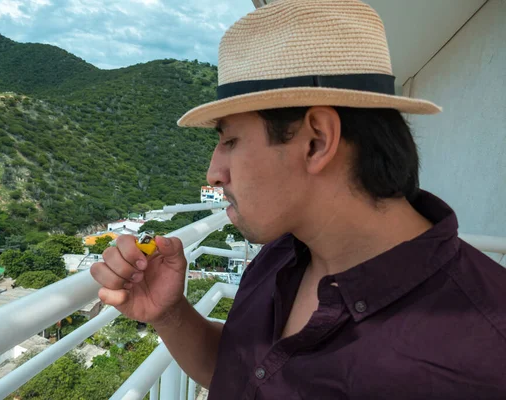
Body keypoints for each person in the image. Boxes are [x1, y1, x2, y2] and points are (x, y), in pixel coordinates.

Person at [90, 0, 506, 398]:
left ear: (316, 141)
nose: (213, 173)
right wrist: (170, 313)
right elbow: (241, 374)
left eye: (231, 140)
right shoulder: (282, 254)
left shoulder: (481, 358)